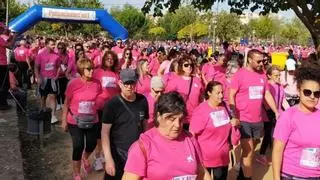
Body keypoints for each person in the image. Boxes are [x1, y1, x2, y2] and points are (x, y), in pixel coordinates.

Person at [122, 92, 211, 180]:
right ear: (158, 117)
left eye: (180, 119)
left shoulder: (190, 139)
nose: (177, 125)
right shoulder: (143, 146)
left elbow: (202, 173)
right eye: (172, 119)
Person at [229, 49, 279, 180]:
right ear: (250, 60)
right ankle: (248, 177)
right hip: (243, 119)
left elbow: (266, 94)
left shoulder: (262, 75)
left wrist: (276, 111)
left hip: (258, 120)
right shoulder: (240, 75)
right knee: (249, 151)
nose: (261, 63)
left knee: (249, 150)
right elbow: (231, 95)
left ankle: (241, 171)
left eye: (263, 61)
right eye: (258, 61)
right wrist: (234, 114)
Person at [272, 62, 320, 180]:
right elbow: (277, 150)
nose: (312, 97)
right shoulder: (288, 116)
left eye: (317, 93)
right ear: (299, 91)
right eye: (307, 92)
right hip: (292, 175)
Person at [101, 68, 149, 180]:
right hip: (118, 153)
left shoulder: (142, 101)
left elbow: (145, 126)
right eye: (126, 83)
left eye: (132, 83)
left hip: (136, 153)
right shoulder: (112, 104)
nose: (129, 87)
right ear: (120, 83)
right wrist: (108, 159)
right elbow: (104, 133)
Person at [190, 81, 240, 180]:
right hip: (205, 159)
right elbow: (192, 134)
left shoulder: (224, 106)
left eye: (222, 92)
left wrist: (236, 122)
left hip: (223, 157)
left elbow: (234, 122)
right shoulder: (201, 110)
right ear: (209, 93)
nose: (221, 95)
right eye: (218, 93)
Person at [61, 58, 102, 180]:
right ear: (81, 70)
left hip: (92, 119)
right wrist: (64, 120)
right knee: (78, 145)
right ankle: (77, 173)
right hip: (75, 120)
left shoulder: (97, 83)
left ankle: (85, 157)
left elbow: (99, 99)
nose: (91, 71)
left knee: (92, 144)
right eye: (88, 69)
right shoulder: (73, 84)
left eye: (92, 68)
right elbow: (66, 103)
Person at [256, 65, 290, 165]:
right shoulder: (267, 86)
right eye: (276, 75)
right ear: (269, 76)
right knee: (268, 134)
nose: (278, 77)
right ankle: (262, 154)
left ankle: (276, 154)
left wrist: (288, 111)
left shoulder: (280, 86)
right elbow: (265, 101)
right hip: (268, 114)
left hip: (279, 113)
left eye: (279, 75)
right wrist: (272, 112)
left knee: (278, 135)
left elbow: (283, 100)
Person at [92, 51, 119, 171]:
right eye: (108, 58)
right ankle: (97, 157)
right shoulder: (97, 72)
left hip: (113, 108)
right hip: (100, 107)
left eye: (112, 59)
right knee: (99, 135)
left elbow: (118, 90)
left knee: (110, 134)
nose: (110, 60)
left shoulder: (116, 73)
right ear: (103, 59)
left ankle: (104, 154)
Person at [166, 54, 203, 130]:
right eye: (186, 65)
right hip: (181, 117)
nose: (189, 67)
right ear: (181, 67)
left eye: (191, 65)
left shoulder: (197, 80)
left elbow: (202, 97)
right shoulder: (175, 81)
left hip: (196, 116)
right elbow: (168, 98)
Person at [34, 38, 61, 124]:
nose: (53, 46)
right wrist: (38, 77)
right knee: (43, 97)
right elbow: (36, 67)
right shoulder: (40, 55)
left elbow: (59, 66)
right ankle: (43, 112)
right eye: (51, 44)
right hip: (43, 79)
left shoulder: (56, 55)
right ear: (46, 45)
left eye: (54, 44)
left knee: (53, 97)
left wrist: (57, 75)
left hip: (53, 79)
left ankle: (53, 115)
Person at [0, 22, 16, 110]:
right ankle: (2, 104)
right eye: (2, 29)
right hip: (1, 64)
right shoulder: (0, 38)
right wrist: (14, 37)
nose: (3, 30)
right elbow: (10, 46)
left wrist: (10, 37)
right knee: (4, 85)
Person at [56, 42, 69, 110]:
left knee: (64, 90)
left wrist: (66, 67)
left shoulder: (67, 55)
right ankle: (58, 103)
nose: (60, 49)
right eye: (58, 48)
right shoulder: (56, 55)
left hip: (64, 75)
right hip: (57, 75)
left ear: (64, 48)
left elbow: (68, 63)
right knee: (58, 90)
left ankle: (63, 102)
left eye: (61, 48)